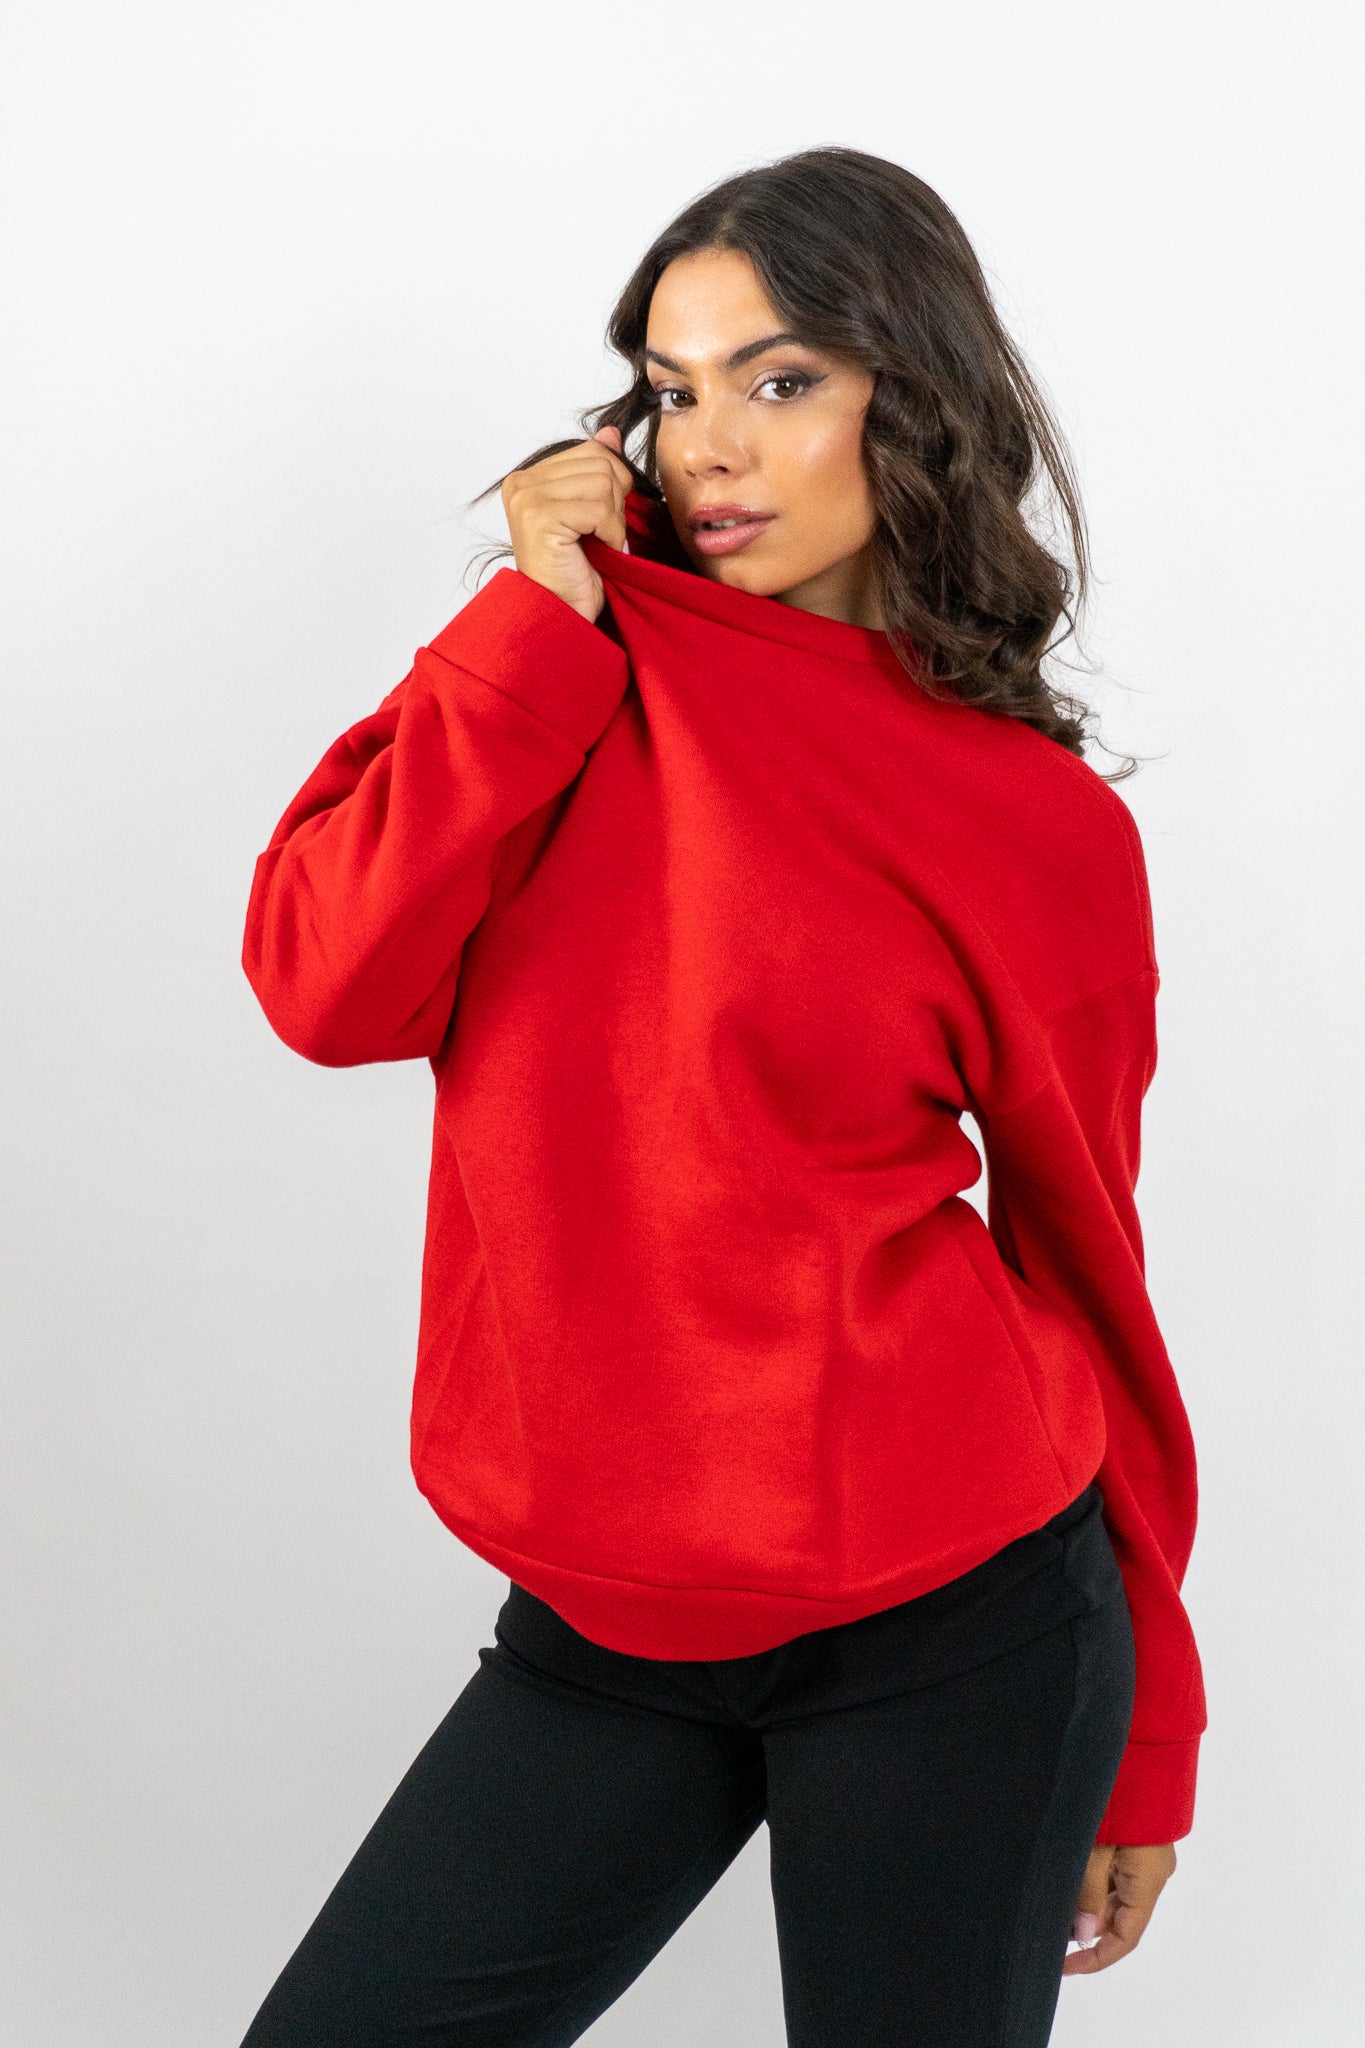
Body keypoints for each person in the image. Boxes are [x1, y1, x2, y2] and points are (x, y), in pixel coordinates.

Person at [237, 146, 1207, 2047]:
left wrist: (1154, 1723)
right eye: (673, 393)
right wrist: (521, 628)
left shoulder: (1029, 826)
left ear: (906, 400)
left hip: (958, 1616)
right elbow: (322, 985)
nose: (710, 449)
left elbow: (1087, 1261)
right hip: (607, 1628)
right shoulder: (549, 670)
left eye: (778, 382)